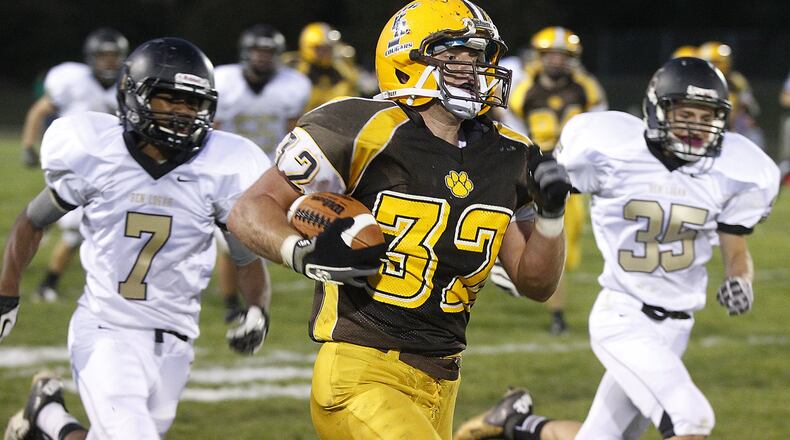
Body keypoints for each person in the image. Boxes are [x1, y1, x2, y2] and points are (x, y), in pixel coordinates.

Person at [226, 1, 571, 438]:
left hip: (443, 376)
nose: (472, 67)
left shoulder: (511, 154)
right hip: (360, 369)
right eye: (453, 53)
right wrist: (303, 253)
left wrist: (551, 215)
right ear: (406, 58)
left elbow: (536, 284)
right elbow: (249, 209)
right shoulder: (360, 127)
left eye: (478, 55)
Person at [454, 57, 780, 440]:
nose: (695, 126)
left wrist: (740, 278)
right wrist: (506, 253)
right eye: (685, 113)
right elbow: (527, 190)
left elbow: (735, 243)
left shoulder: (735, 170)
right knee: (692, 419)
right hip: (623, 316)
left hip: (678, 327)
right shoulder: (615, 149)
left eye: (706, 115)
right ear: (659, 110)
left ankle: (514, 423)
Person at [0, 37, 272, 440]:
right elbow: (32, 221)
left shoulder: (222, 167)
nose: (183, 113)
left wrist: (258, 310)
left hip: (178, 338)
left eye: (192, 103)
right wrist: (8, 291)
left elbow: (246, 257)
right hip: (107, 328)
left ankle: (47, 416)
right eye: (169, 99)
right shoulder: (99, 152)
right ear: (133, 96)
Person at [490, 26, 608, 335]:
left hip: (572, 171)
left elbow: (600, 124)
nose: (556, 61)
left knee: (569, 246)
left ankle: (511, 267)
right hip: (537, 169)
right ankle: (556, 314)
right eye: (551, 54)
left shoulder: (586, 87)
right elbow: (514, 132)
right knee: (548, 235)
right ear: (540, 57)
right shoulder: (524, 88)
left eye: (563, 55)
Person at [20, 28, 128, 303]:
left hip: (111, 169)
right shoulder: (72, 80)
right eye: (103, 56)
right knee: (73, 230)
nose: (109, 62)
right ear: (91, 57)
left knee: (78, 227)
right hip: (74, 166)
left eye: (114, 56)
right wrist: (27, 145)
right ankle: (46, 283)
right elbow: (38, 111)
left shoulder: (128, 84)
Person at [212, 23, 311, 322]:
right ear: (245, 52)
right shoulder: (223, 81)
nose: (263, 58)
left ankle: (250, 300)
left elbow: (294, 131)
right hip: (228, 169)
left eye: (269, 52)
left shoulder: (292, 85)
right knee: (231, 240)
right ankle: (231, 303)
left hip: (268, 169)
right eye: (258, 51)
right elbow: (211, 131)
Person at [698, 41, 764, 148]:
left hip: (734, 129)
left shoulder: (736, 81)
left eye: (714, 62)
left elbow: (751, 110)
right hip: (705, 127)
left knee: (754, 135)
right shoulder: (698, 81)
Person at [282, 22, 361, 111]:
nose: (326, 53)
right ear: (308, 47)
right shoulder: (294, 68)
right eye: (321, 49)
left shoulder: (342, 69)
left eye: (329, 48)